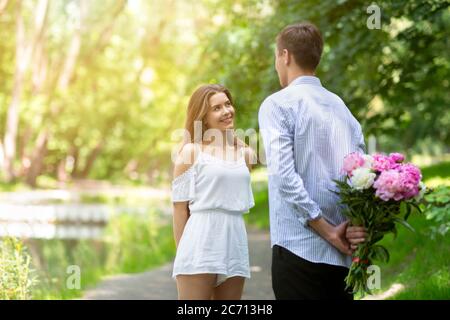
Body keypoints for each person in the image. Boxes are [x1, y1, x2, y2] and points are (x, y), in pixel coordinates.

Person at [258, 22, 367, 300]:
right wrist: (353, 227)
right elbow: (361, 178)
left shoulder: (277, 104)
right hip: (341, 258)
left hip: (298, 249)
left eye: (276, 57)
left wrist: (327, 230)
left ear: (285, 56)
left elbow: (284, 175)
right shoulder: (342, 108)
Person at [171, 84, 256, 300]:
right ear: (204, 117)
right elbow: (180, 209)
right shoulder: (191, 152)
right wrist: (182, 254)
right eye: (216, 108)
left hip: (235, 238)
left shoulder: (245, 153)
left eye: (227, 104)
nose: (226, 111)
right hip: (201, 240)